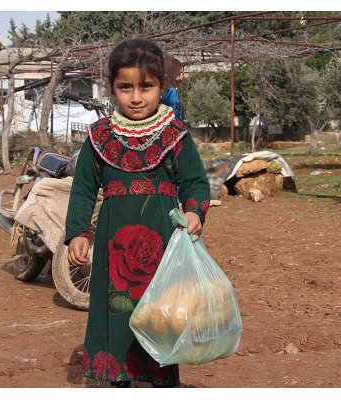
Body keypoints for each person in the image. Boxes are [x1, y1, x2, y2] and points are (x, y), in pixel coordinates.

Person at [64, 38, 210, 388]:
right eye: (125, 87)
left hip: (163, 249)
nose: (136, 97)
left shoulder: (175, 135)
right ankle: (119, 380)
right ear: (112, 88)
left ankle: (162, 381)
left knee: (161, 314)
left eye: (146, 86)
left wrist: (195, 214)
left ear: (162, 86)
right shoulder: (99, 137)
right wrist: (78, 233)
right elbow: (83, 188)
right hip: (115, 250)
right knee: (118, 311)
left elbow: (195, 183)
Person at [160, 55, 184, 122]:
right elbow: (175, 116)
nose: (181, 78)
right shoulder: (171, 91)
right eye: (178, 74)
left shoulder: (158, 89)